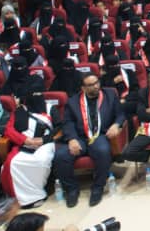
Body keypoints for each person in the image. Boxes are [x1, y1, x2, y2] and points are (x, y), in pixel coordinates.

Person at [53, 73, 124, 207]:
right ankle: (72, 189)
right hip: (80, 137)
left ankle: (98, 187)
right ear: (83, 88)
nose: (96, 86)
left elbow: (120, 114)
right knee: (61, 156)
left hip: (100, 135)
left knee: (103, 150)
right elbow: (67, 123)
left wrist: (116, 124)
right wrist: (72, 139)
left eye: (97, 82)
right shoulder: (73, 102)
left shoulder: (109, 95)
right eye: (91, 85)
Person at [2, 92, 58, 208]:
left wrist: (43, 140)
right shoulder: (20, 111)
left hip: (46, 143)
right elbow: (9, 130)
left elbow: (59, 128)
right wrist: (25, 140)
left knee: (40, 161)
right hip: (24, 144)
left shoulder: (50, 108)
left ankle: (37, 194)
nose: (35, 96)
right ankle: (23, 199)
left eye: (38, 93)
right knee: (14, 163)